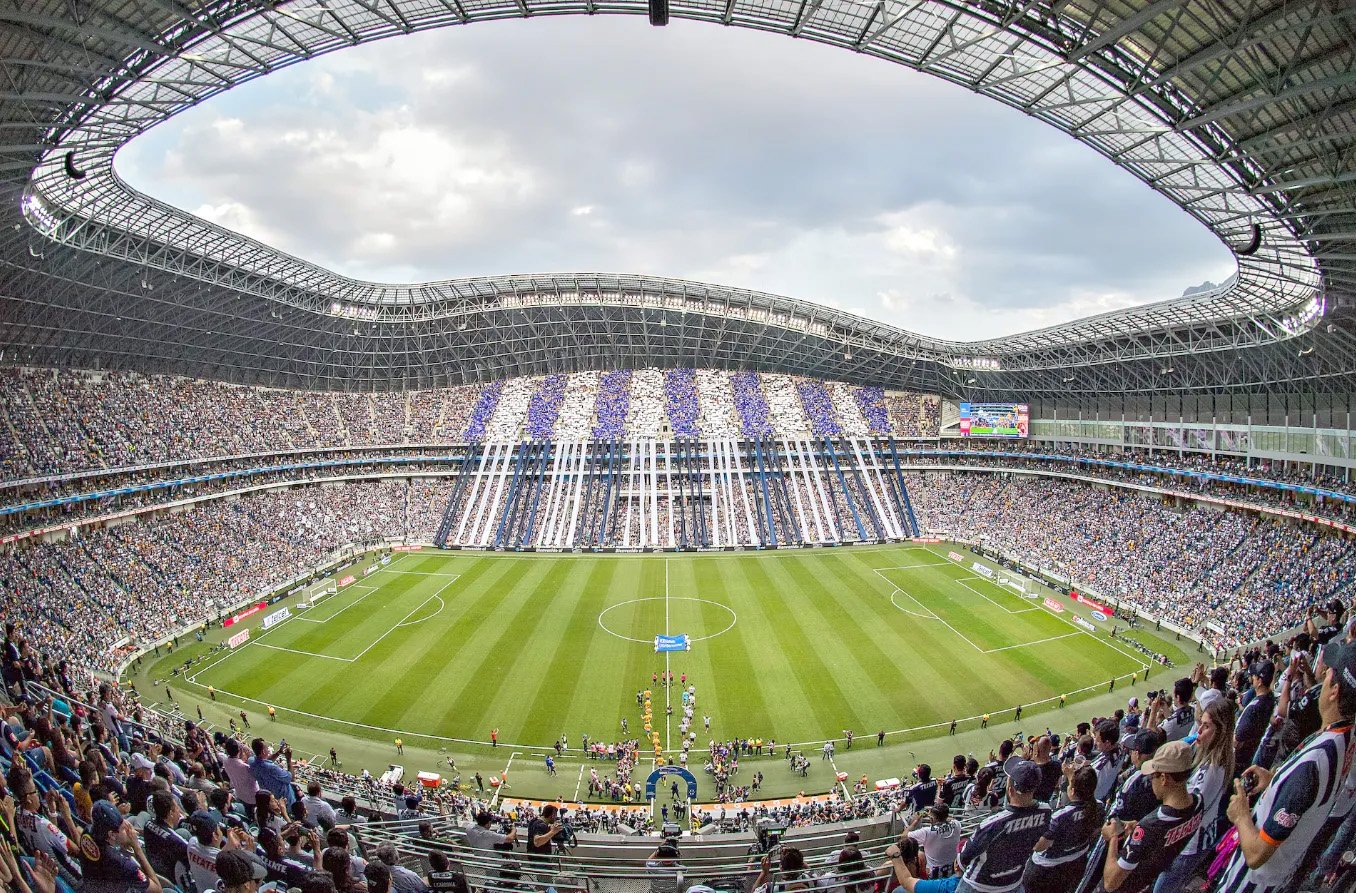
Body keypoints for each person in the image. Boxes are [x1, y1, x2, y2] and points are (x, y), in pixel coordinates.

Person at [1212, 638, 1356, 893]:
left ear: (1334, 691)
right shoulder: (1345, 735)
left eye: (1328, 673)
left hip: (1251, 882)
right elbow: (1306, 798)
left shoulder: (1314, 763)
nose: (1323, 677)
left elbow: (1257, 854)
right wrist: (1277, 782)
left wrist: (1241, 815)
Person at [1096, 741, 1202, 893]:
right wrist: (1137, 828)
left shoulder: (1149, 826)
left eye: (1153, 776)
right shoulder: (1198, 803)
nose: (1151, 781)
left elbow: (1110, 883)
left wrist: (1113, 838)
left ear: (1164, 778)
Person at [956, 761, 1050, 893]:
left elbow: (964, 858)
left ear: (1010, 790)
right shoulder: (1046, 811)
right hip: (1014, 882)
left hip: (978, 885)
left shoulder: (992, 824)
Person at [1023, 765, 1102, 893]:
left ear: (1072, 791)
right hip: (1076, 863)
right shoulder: (1098, 807)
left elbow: (1039, 846)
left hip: (1046, 872)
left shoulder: (1059, 816)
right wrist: (1071, 777)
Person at [79, 800, 163, 893]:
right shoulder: (123, 864)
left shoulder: (87, 832)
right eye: (123, 828)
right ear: (111, 834)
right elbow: (157, 890)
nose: (127, 829)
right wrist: (137, 848)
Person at [909, 803, 961, 878]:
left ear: (932, 819)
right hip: (953, 872)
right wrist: (938, 815)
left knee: (920, 854)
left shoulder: (927, 831)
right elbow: (951, 819)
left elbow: (904, 836)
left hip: (934, 876)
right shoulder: (957, 824)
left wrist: (916, 820)